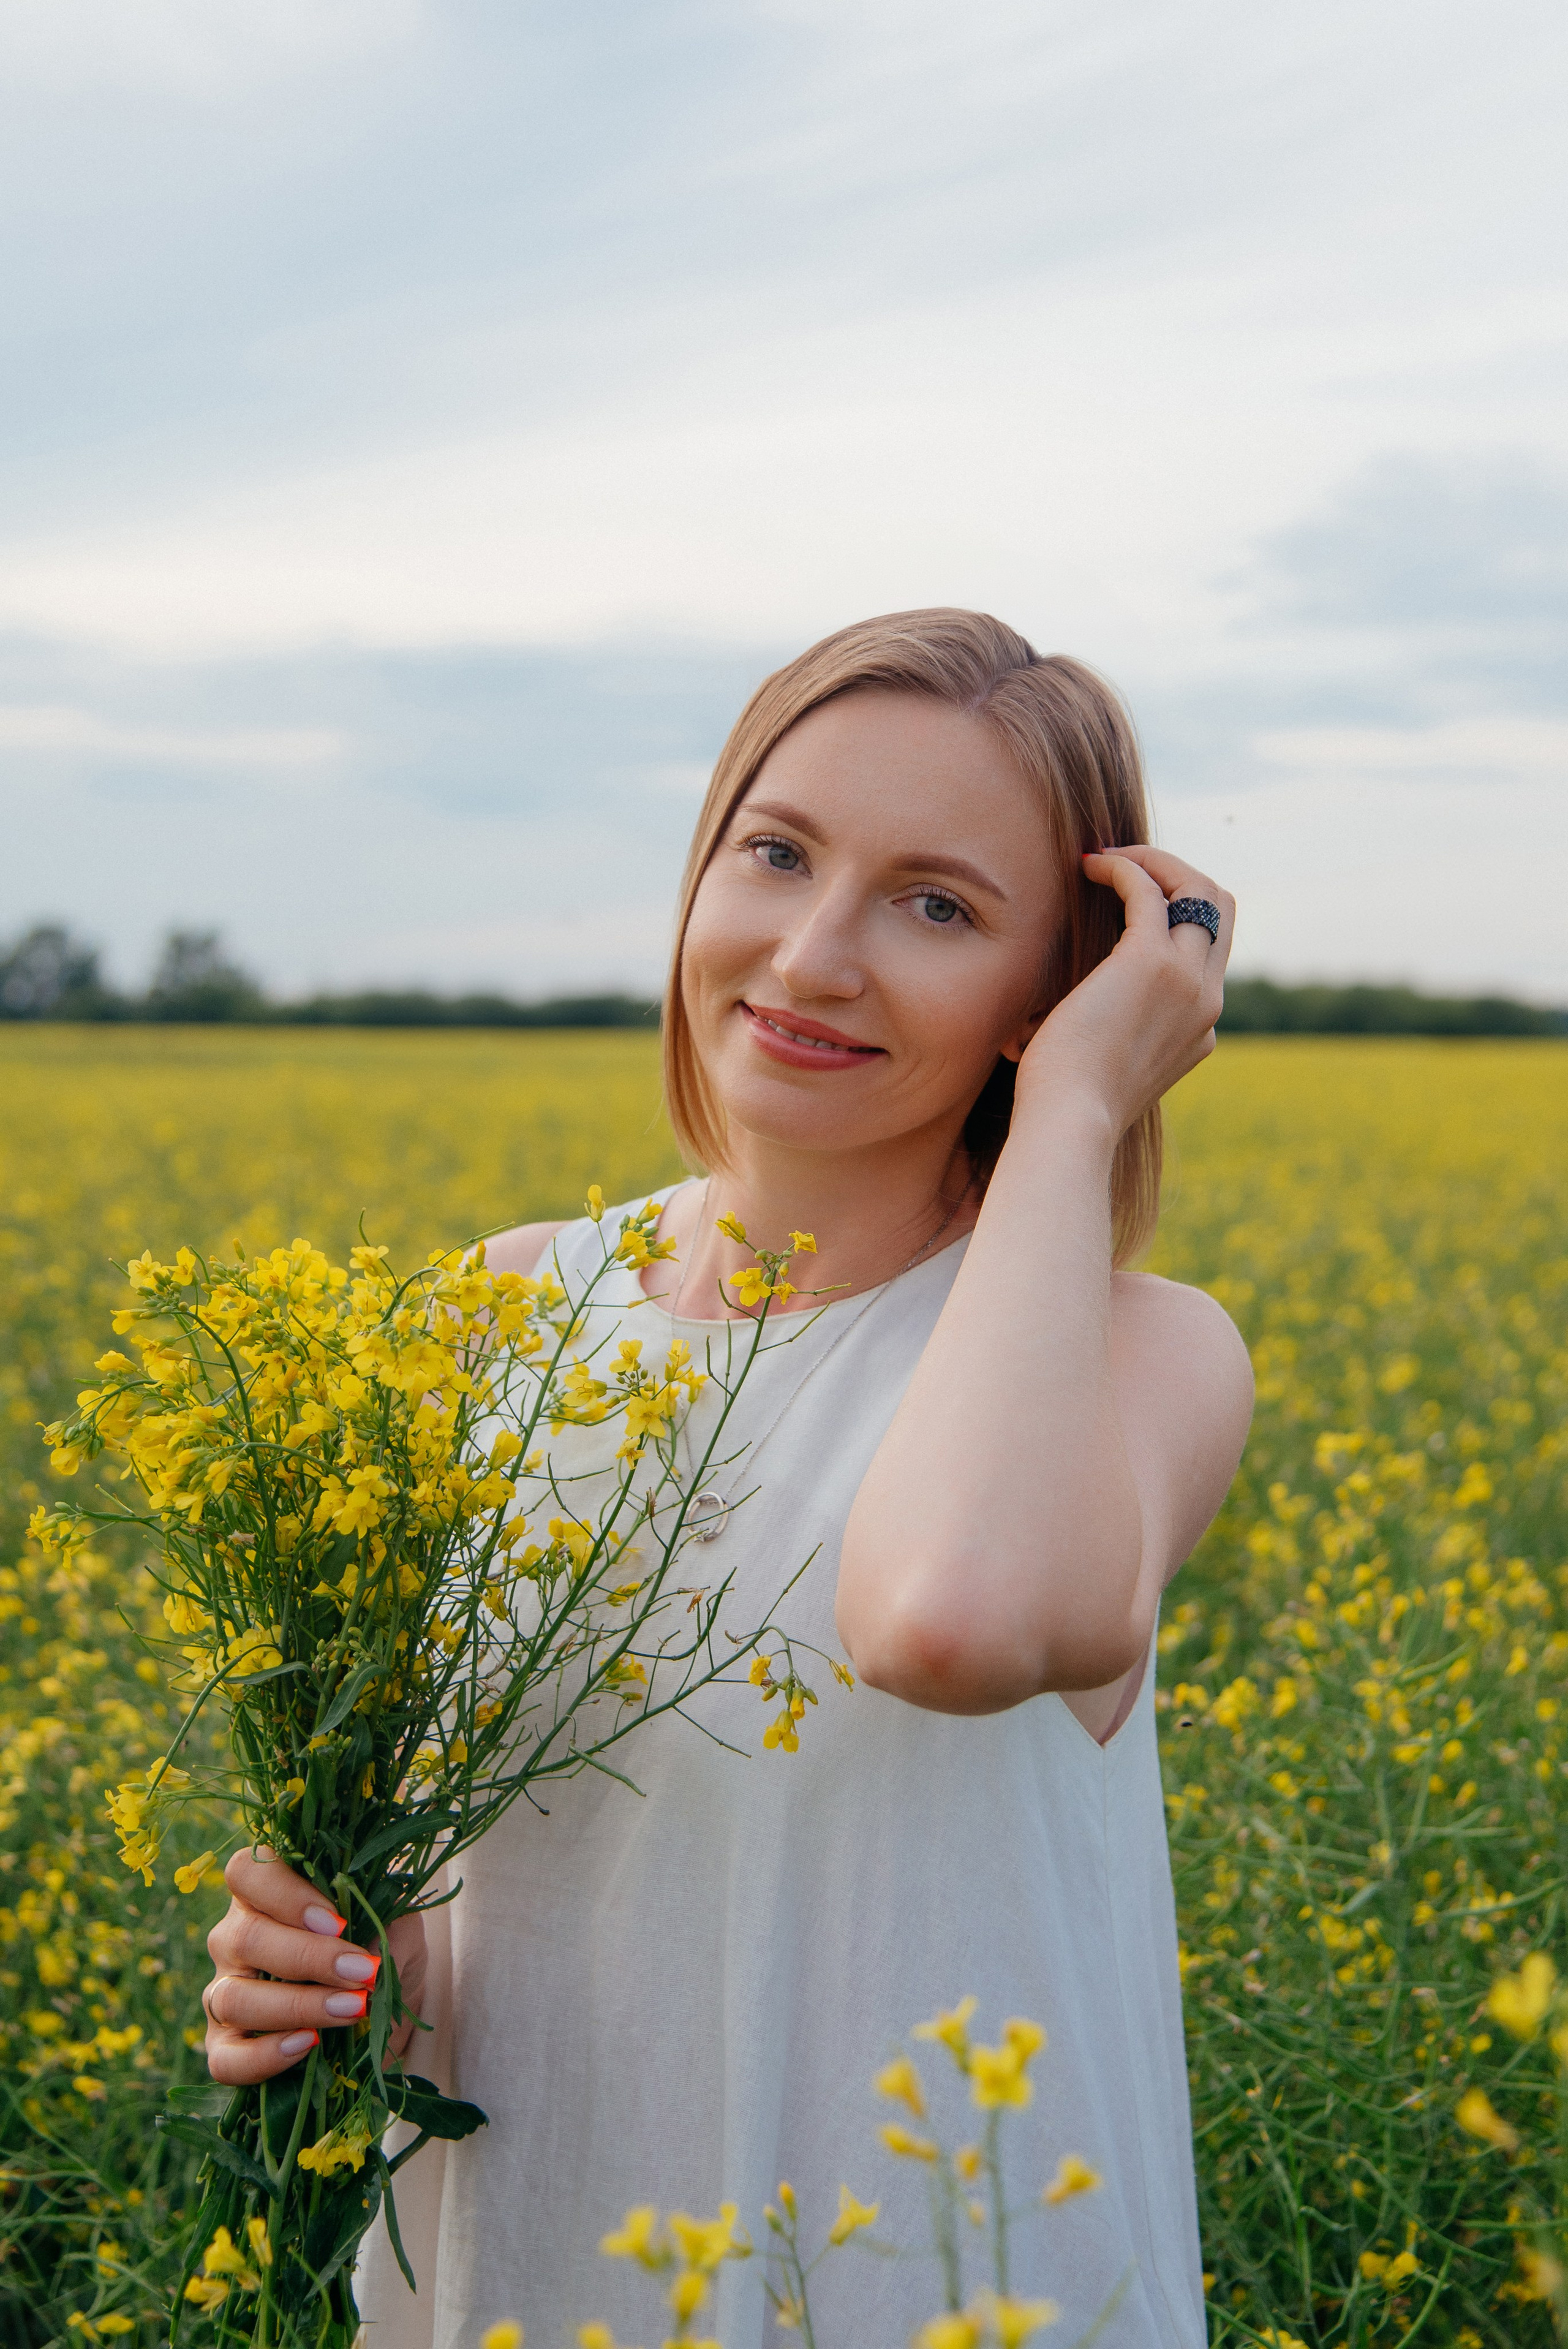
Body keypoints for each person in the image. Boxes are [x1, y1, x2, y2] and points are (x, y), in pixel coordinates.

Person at [200, 610, 1253, 2348]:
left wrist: (1076, 1108)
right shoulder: (508, 1310)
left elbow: (947, 1614)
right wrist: (329, 1980)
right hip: (540, 2273)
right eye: (777, 853)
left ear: (1054, 989)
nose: (815, 953)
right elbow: (500, 1904)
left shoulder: (1145, 1355)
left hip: (932, 2292)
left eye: (939, 905)